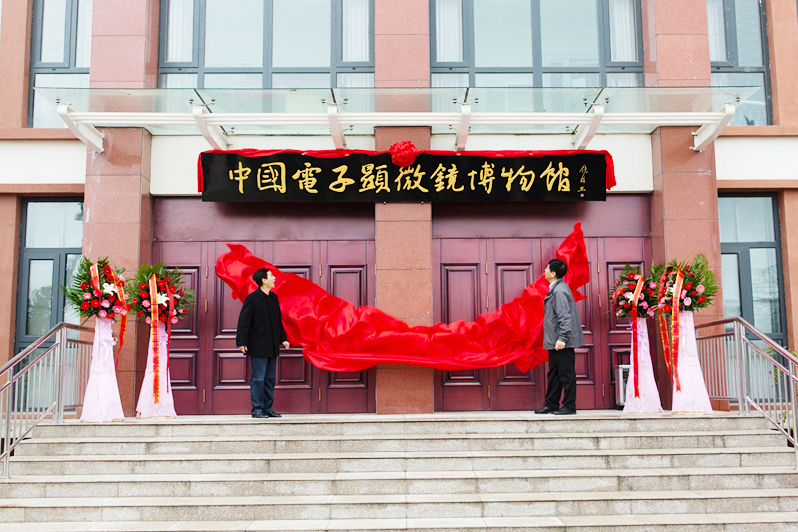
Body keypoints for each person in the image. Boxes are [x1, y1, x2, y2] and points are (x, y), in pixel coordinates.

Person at [236, 268, 290, 418]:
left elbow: (278, 321)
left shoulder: (274, 298)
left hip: (272, 345)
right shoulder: (252, 299)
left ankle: (268, 408)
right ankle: (257, 409)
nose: (274, 278)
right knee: (258, 378)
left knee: (270, 379)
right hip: (258, 345)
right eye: (271, 276)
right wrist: (241, 341)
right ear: (264, 280)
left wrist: (283, 338)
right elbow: (244, 322)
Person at [535, 259, 585, 415]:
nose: (544, 270)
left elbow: (565, 317)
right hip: (555, 340)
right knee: (555, 374)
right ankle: (552, 404)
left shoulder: (559, 291)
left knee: (566, 374)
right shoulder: (556, 289)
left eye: (547, 268)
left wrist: (562, 338)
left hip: (562, 341)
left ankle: (569, 406)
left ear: (553, 273)